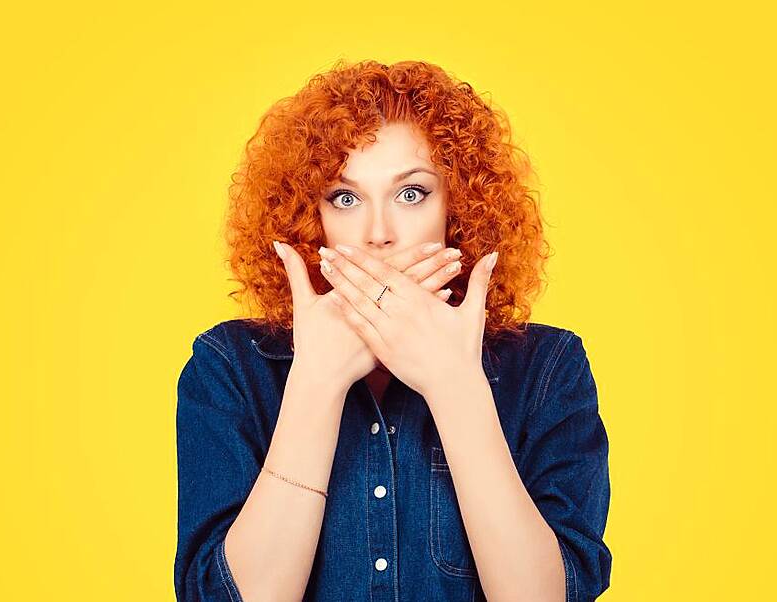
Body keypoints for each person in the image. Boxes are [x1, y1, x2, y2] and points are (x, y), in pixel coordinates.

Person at [175, 59, 611, 601]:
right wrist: (316, 383)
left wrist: (456, 386)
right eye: (345, 197)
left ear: (459, 208)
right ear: (311, 219)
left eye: (411, 194)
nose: (378, 233)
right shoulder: (231, 366)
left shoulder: (548, 367)